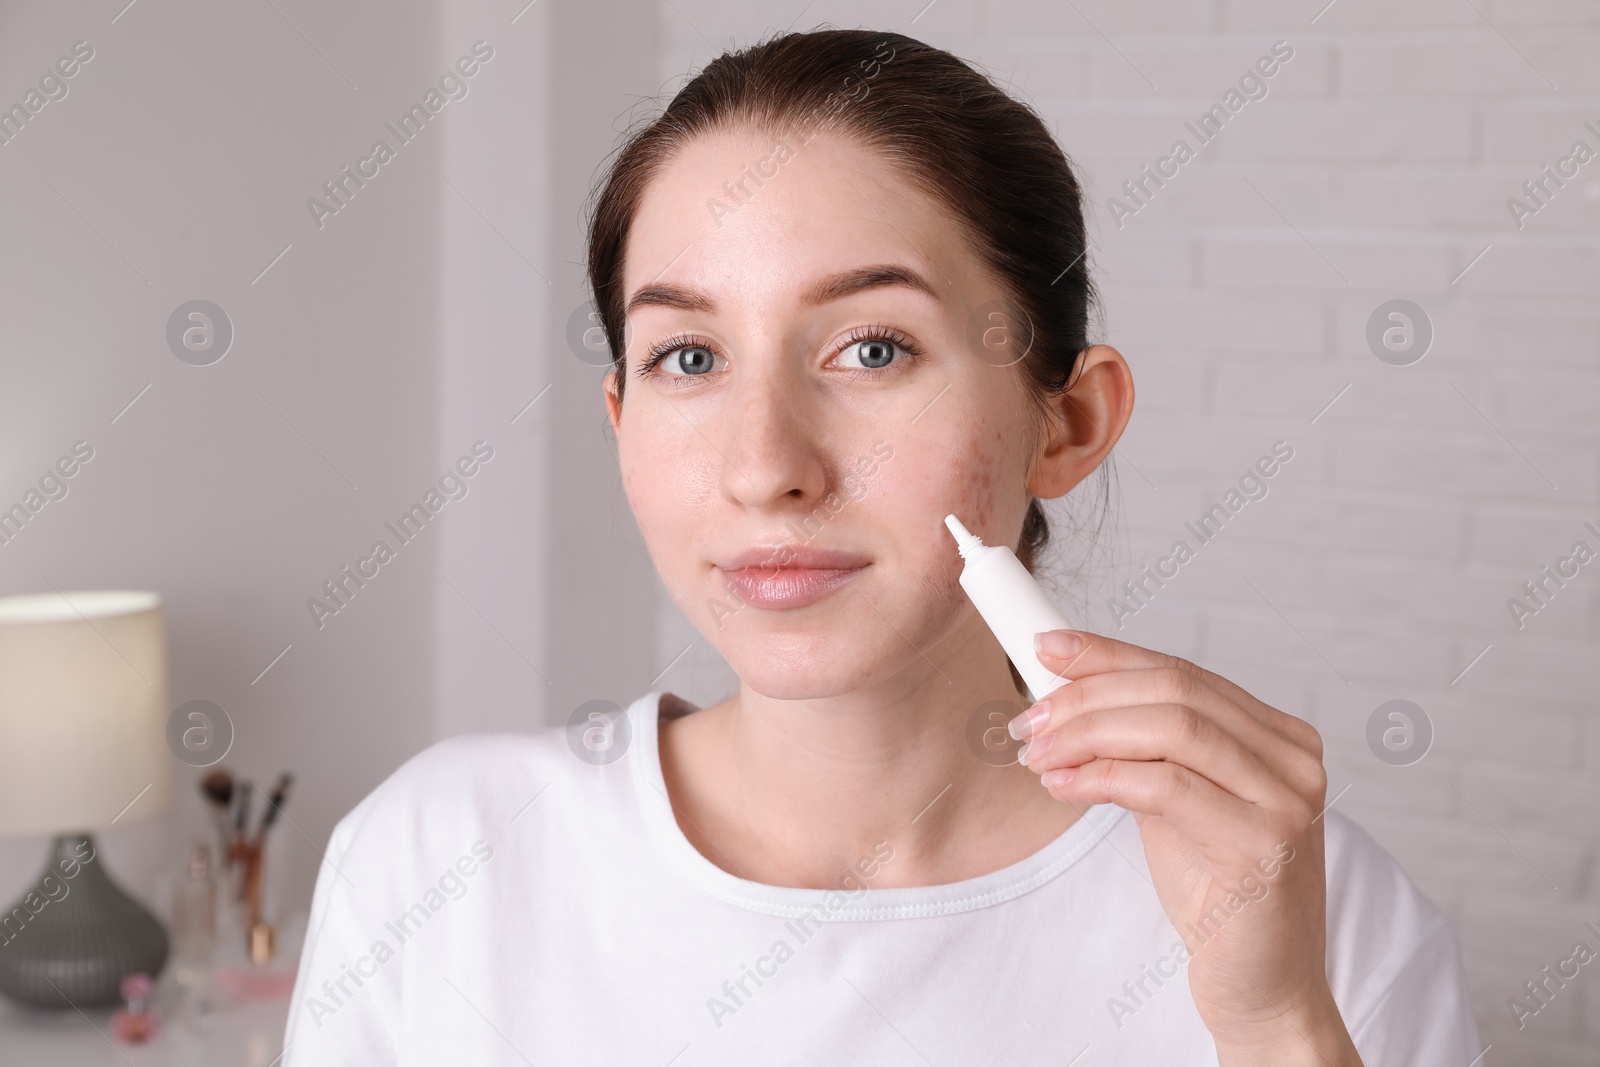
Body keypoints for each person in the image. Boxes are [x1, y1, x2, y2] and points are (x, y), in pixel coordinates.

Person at [283, 28, 1480, 1065]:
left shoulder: (1308, 904)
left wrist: (1275, 1023)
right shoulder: (437, 861)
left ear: (1066, 423)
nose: (765, 466)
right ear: (619, 418)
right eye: (688, 359)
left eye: (872, 348)